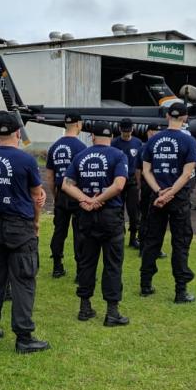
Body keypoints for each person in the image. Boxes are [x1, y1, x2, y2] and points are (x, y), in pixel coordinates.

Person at [0, 111, 50, 354]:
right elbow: (36, 197)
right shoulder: (25, 160)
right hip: (20, 226)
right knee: (24, 279)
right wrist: (36, 224)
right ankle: (24, 336)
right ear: (18, 132)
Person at [62, 120, 130, 326]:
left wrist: (85, 199)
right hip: (110, 215)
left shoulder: (81, 156)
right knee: (112, 264)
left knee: (87, 262)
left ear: (92, 137)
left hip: (87, 216)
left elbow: (66, 185)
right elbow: (119, 185)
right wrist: (98, 200)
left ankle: (85, 307)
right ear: (111, 137)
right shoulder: (118, 155)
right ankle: (112, 312)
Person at [140, 102, 196, 303]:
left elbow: (146, 170)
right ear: (184, 118)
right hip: (178, 198)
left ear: (167, 116)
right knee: (180, 242)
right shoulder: (189, 141)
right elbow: (187, 173)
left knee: (152, 240)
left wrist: (159, 192)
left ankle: (145, 284)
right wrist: (171, 193)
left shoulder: (153, 140)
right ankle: (180, 291)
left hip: (156, 197)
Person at [45, 111, 87, 278]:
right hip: (77, 194)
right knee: (79, 233)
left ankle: (57, 266)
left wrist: (55, 194)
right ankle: (80, 271)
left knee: (59, 231)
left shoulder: (55, 147)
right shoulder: (82, 148)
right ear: (78, 125)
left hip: (61, 195)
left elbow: (49, 176)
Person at [111, 118, 143, 248]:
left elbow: (139, 165)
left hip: (132, 182)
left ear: (132, 129)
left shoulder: (137, 143)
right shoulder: (114, 143)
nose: (126, 134)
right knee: (117, 209)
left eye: (128, 131)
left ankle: (133, 237)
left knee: (134, 211)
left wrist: (139, 183)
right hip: (118, 181)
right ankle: (118, 235)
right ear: (120, 129)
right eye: (124, 131)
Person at [137, 123, 166, 259]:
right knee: (146, 217)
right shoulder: (144, 148)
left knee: (157, 219)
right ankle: (143, 247)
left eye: (158, 132)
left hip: (157, 186)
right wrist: (139, 185)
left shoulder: (160, 147)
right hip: (148, 186)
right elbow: (139, 170)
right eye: (154, 131)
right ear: (148, 132)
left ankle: (154, 248)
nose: (156, 134)